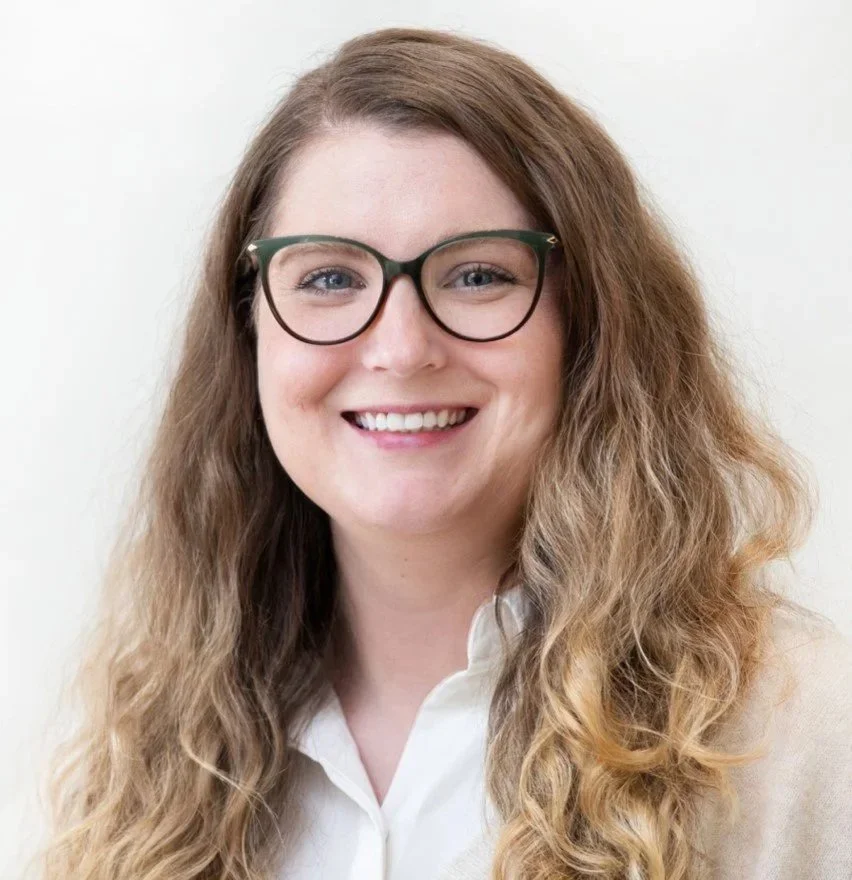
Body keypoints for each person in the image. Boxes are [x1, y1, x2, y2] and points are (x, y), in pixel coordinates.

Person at [32, 26, 851, 880]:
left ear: (591, 327)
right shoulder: (140, 757)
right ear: (250, 335)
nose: (400, 348)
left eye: (476, 275)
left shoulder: (805, 739)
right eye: (329, 279)